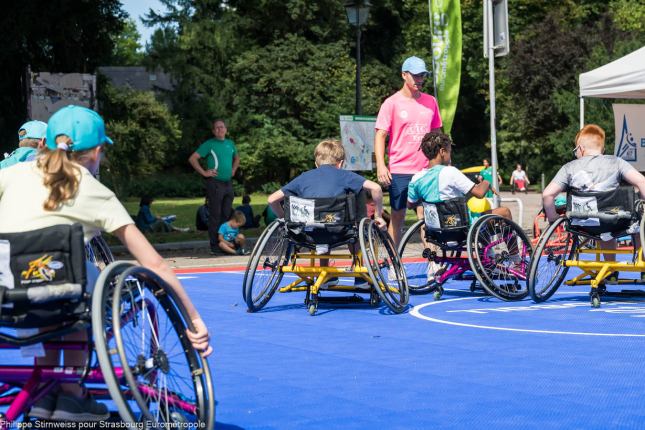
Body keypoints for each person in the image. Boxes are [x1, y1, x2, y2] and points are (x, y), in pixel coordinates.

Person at [0, 105, 211, 421]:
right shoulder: (92, 190)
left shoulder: (10, 174)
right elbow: (155, 264)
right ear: (97, 151)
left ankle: (49, 389)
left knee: (42, 276)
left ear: (43, 143)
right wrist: (195, 321)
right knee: (76, 278)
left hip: (8, 297)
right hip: (62, 297)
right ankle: (70, 394)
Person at [268, 139, 387, 289]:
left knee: (318, 223)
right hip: (340, 232)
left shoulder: (303, 177)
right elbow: (376, 188)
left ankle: (324, 274)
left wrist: (284, 219)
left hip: (307, 233)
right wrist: (378, 216)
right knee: (352, 227)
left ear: (316, 164)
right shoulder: (346, 175)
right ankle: (358, 273)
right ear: (340, 163)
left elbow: (272, 199)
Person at [542, 124, 645, 283]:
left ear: (581, 148)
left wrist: (553, 217)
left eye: (575, 150)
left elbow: (547, 194)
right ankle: (642, 265)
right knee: (638, 218)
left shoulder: (569, 167)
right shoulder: (616, 162)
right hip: (615, 222)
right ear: (602, 149)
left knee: (600, 219)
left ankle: (610, 270)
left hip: (581, 223)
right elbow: (641, 181)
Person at [406, 132, 513, 282]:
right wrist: (487, 184)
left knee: (479, 218)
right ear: (442, 151)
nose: (450, 154)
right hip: (463, 229)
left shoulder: (416, 178)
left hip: (437, 232)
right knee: (504, 212)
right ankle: (516, 261)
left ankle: (488, 256)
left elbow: (410, 204)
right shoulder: (451, 172)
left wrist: (427, 195)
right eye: (449, 150)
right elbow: (479, 193)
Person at [374, 56, 443, 248]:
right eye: (415, 75)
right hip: (399, 170)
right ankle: (394, 263)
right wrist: (381, 165)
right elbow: (380, 136)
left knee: (427, 216)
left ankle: (432, 262)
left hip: (426, 169)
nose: (419, 80)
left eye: (422, 75)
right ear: (404, 75)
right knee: (397, 216)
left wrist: (444, 163)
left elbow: (437, 134)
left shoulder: (430, 102)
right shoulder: (391, 103)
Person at [188, 119, 239, 254]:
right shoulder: (209, 144)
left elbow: (237, 157)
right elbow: (193, 158)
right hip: (215, 183)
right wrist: (204, 172)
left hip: (228, 184)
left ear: (226, 129)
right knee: (215, 216)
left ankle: (225, 245)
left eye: (221, 127)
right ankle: (215, 247)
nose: (219, 129)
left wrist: (234, 169)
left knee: (226, 215)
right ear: (213, 131)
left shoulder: (230, 144)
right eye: (216, 128)